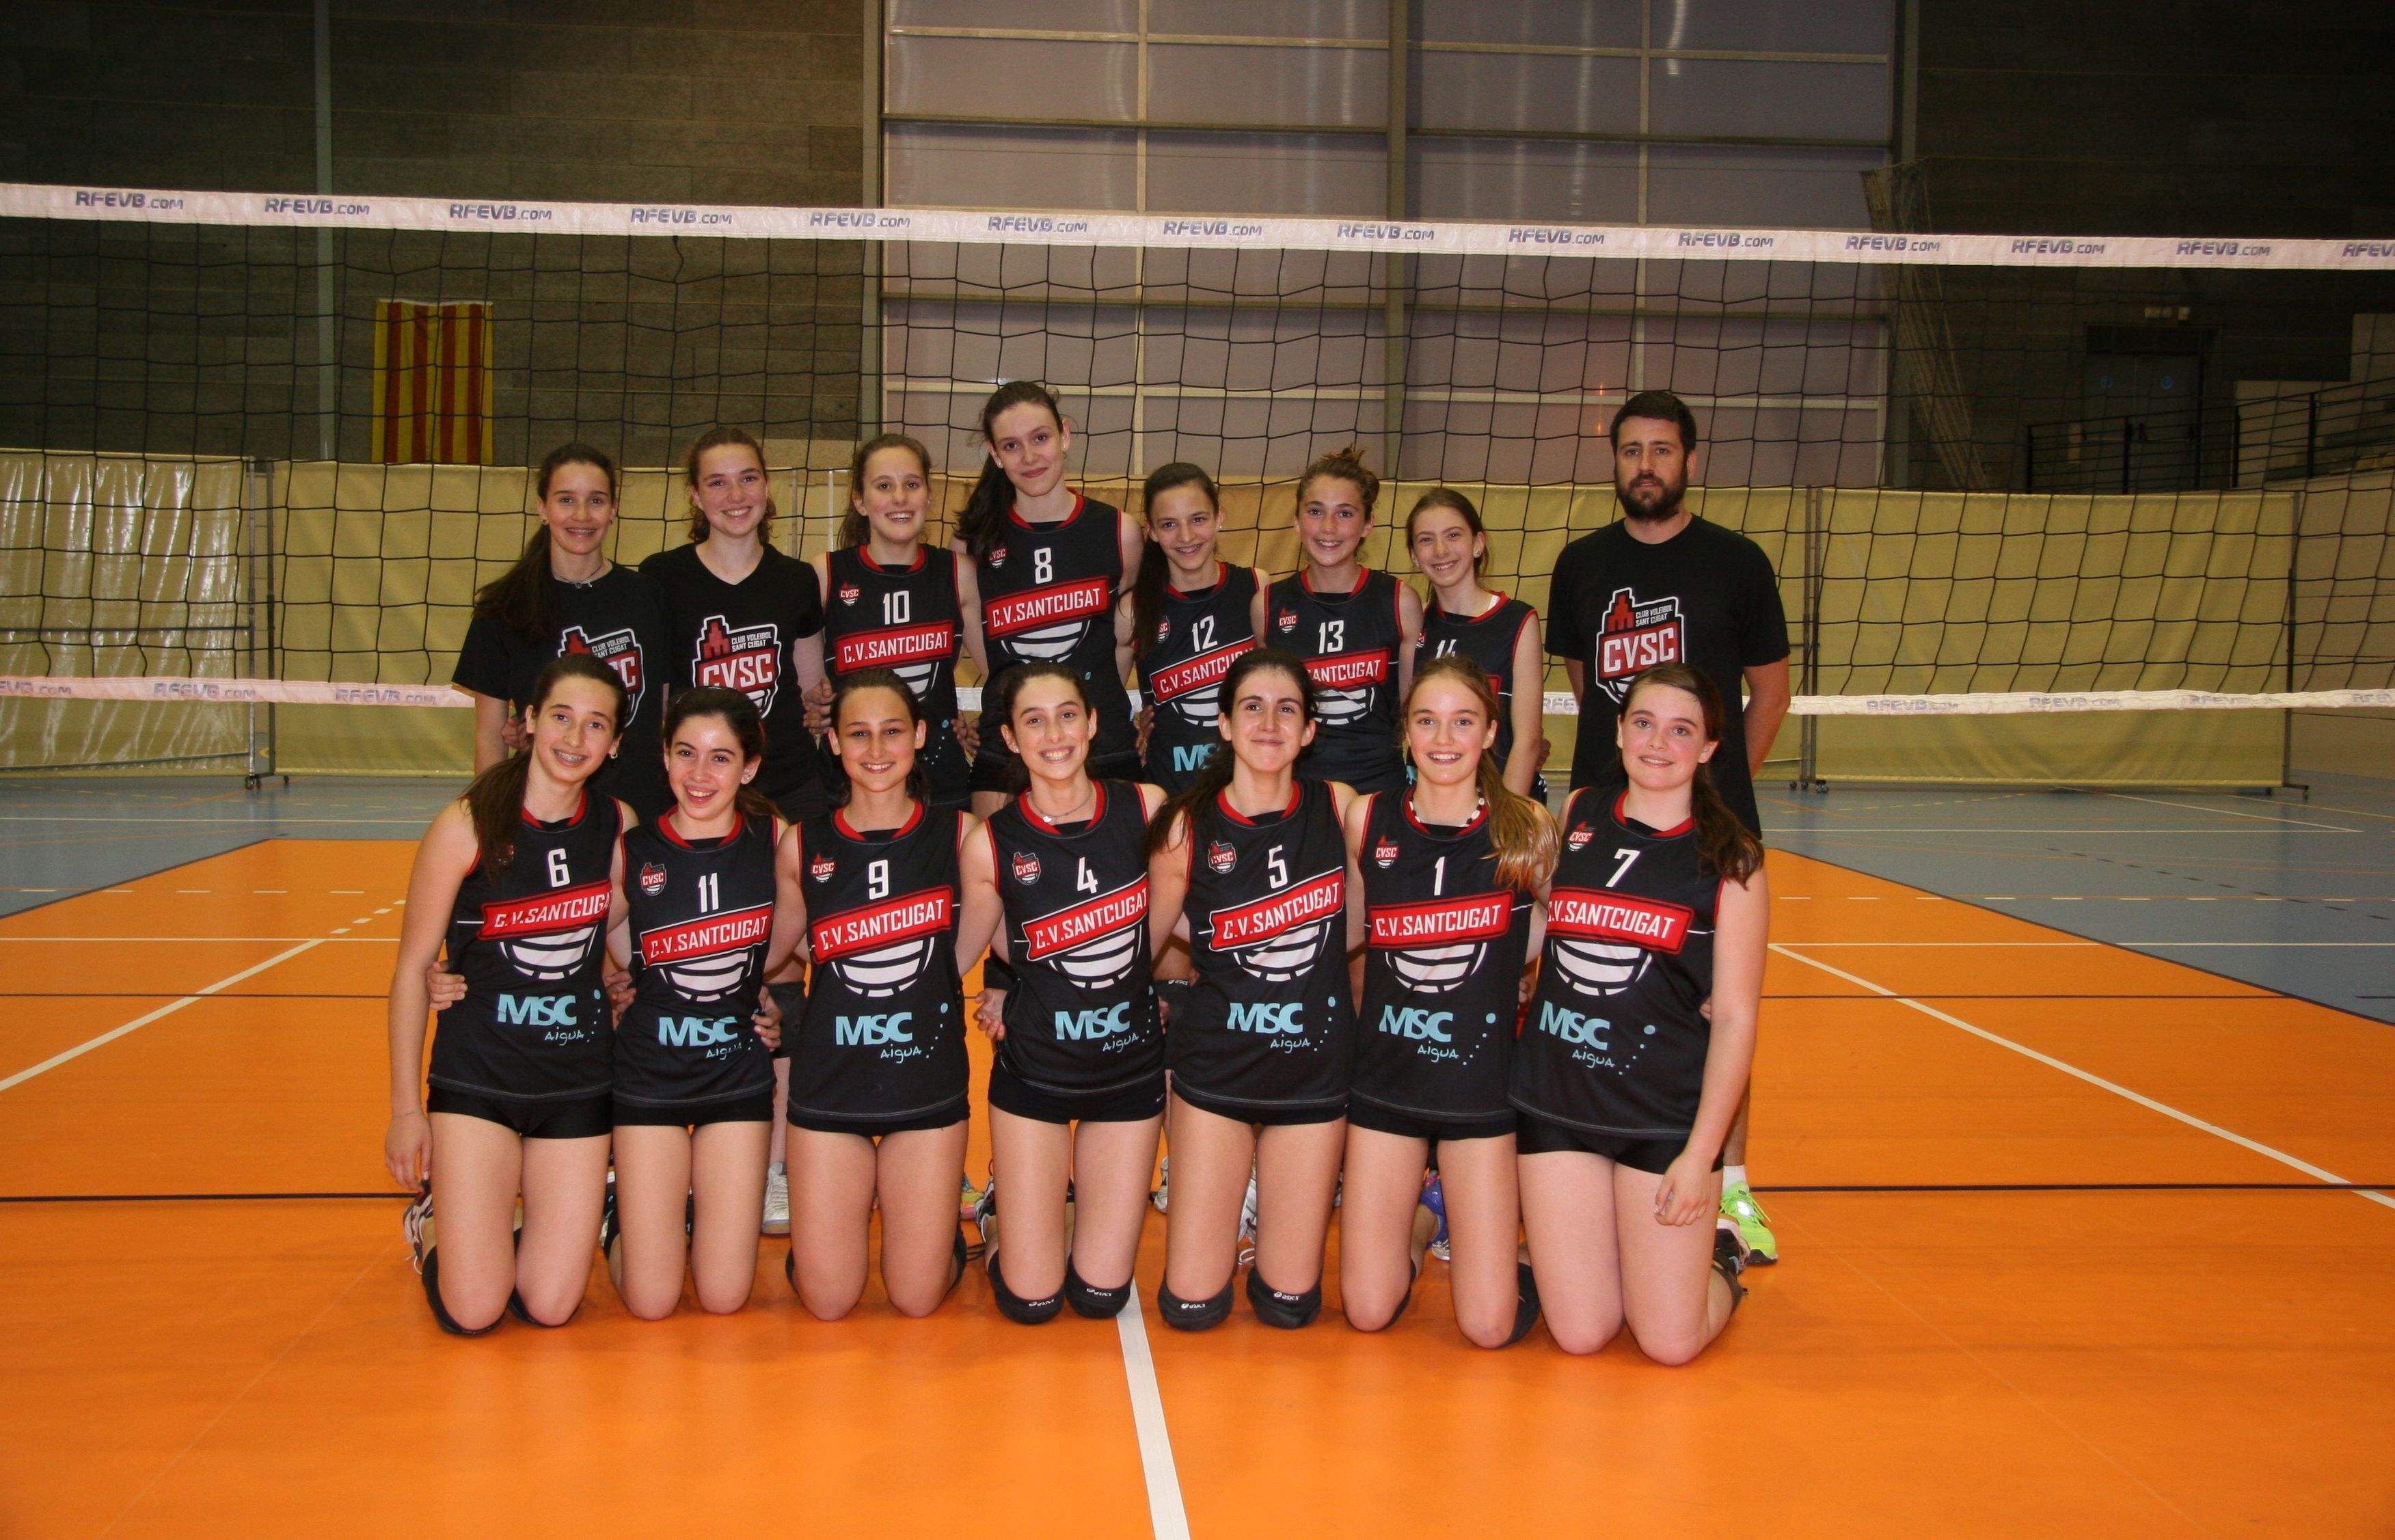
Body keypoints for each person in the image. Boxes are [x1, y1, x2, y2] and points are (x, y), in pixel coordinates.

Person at [1545, 389, 1791, 1262]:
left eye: (1661, 450)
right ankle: (1598, 1155)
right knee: (1586, 984)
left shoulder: (1738, 561)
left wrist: (1713, 788)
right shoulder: (1580, 563)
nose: (1645, 465)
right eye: (1630, 451)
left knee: (1720, 1003)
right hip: (1606, 825)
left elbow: (1772, 689)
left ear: (1692, 460)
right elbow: (1588, 683)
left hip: (1702, 828)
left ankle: (1733, 1188)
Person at [1513, 663, 1766, 1364]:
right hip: (1559, 1102)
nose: (1659, 743)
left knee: (1668, 1343)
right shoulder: (1580, 813)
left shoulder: (1732, 860)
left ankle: (1718, 1255)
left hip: (1661, 1115)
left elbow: (1738, 1019)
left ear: (1710, 748)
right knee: (1583, 1332)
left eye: (1682, 730)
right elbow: (1556, 930)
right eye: (1644, 723)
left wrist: (1701, 1153)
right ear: (1621, 732)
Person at [385, 654, 628, 1334]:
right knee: (474, 1310)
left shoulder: (616, 826)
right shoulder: (467, 824)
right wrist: (407, 1111)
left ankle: (529, 1223)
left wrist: (624, 981)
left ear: (614, 745)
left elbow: (629, 929)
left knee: (550, 1307)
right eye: (560, 717)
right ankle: (441, 1225)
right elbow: (411, 970)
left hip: (575, 1081)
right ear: (525, 722)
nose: (575, 739)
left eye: (595, 724)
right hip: (479, 1079)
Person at [640, 426, 828, 1238]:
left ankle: (778, 1166)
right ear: (694, 496)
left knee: (780, 970)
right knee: (679, 965)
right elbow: (657, 692)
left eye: (747, 478)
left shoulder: (793, 581)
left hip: (783, 789)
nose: (734, 495)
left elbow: (814, 689)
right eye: (716, 483)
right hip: (701, 794)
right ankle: (649, 1153)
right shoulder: (664, 580)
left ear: (766, 486)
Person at [1342, 656, 1554, 1347]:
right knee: (1368, 1310)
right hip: (1386, 1086)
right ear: (1405, 731)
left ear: (1492, 732)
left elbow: (1582, 927)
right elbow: (1336, 930)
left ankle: (1528, 1253)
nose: (1443, 738)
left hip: (1479, 1092)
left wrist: (1518, 961)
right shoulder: (1366, 819)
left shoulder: (1524, 830)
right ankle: (1421, 1221)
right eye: (1427, 720)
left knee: (1489, 1328)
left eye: (1463, 722)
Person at [1143, 649, 1355, 1330]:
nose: (1269, 722)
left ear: (1311, 729)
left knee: (1288, 1308)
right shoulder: (1186, 827)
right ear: (1226, 725)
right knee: (1193, 1308)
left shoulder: (1341, 810)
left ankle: (1270, 1194)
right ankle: (1227, 1186)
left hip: (1312, 1072)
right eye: (1252, 707)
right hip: (1217, 1068)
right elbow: (1143, 944)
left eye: (1287, 708)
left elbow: (1379, 916)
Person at [953, 663, 1167, 1324]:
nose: (1055, 733)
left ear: (1094, 721)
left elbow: (1187, 920)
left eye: (1068, 714)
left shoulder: (1148, 807)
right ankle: (1003, 1222)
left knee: (1100, 1298)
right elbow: (976, 949)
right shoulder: (991, 841)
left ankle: (1056, 1212)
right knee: (1033, 1301)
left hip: (1128, 1074)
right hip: (1035, 1076)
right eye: (1034, 720)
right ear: (1011, 740)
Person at [776, 668, 974, 1319]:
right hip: (831, 1081)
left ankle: (937, 1228)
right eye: (858, 734)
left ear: (920, 735)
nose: (877, 749)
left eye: (893, 731)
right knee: (829, 1300)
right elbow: (773, 947)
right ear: (833, 742)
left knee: (916, 1297)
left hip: (926, 1084)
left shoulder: (962, 836)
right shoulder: (802, 843)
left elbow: (997, 935)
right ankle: (820, 1237)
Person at [598, 687, 783, 1318]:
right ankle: (621, 1221)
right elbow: (575, 939)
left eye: (721, 758)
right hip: (650, 1072)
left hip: (736, 1072)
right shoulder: (633, 848)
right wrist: (455, 970)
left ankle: (682, 1213)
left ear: (750, 766)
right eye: (686, 754)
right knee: (651, 1300)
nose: (700, 776)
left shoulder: (777, 841)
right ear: (664, 757)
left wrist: (781, 1004)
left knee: (725, 1295)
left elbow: (827, 935)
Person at [953, 381, 1144, 820]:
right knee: (998, 872)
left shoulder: (1119, 532)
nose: (1030, 456)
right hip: (1011, 746)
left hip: (1103, 738)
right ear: (996, 455)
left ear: (1065, 435)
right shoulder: (973, 542)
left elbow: (1122, 640)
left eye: (1040, 438)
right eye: (1012, 446)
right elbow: (989, 657)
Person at [452, 444, 669, 818]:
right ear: (542, 508)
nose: (582, 515)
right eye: (566, 500)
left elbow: (664, 713)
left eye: (596, 501)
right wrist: (490, 821)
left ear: (614, 510)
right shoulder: (503, 607)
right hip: (547, 813)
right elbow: (490, 735)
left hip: (643, 810)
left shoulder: (648, 596)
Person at [814, 434, 975, 813]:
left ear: (928, 496)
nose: (900, 498)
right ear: (860, 500)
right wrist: (813, 708)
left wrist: (991, 725)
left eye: (912, 485)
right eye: (884, 486)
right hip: (848, 781)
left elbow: (1002, 672)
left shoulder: (957, 573)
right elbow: (809, 690)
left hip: (940, 777)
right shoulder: (826, 573)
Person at [1262, 446, 1420, 796]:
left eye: (1345, 514)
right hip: (1298, 791)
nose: (1329, 528)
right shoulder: (1268, 605)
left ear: (1367, 525)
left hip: (1380, 789)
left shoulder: (1398, 601)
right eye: (1316, 511)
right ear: (1297, 520)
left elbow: (1414, 713)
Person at [1130, 462, 1262, 794]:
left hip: (1248, 787)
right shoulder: (1132, 610)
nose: (1186, 537)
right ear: (1152, 531)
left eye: (1198, 519)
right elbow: (1106, 699)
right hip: (1173, 792)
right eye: (1169, 524)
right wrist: (1132, 728)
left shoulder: (1257, 587)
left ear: (1220, 518)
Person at [1407, 488, 1547, 799]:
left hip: (1500, 802)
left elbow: (1528, 741)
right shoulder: (1414, 623)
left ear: (1478, 544)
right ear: (1415, 556)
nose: (1441, 550)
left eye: (1453, 535)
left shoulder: (1517, 620)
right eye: (1426, 540)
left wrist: (1504, 818)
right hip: (1431, 802)